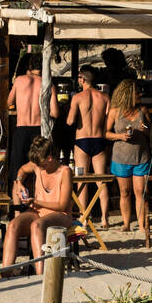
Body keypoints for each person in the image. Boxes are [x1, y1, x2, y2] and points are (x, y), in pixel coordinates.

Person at [3, 136, 74, 276]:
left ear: (50, 158)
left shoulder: (65, 171)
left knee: (36, 225)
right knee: (13, 225)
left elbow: (62, 205)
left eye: (41, 164)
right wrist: (19, 183)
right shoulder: (37, 165)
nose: (40, 167)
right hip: (38, 211)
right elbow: (22, 170)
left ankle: (40, 275)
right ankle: (5, 273)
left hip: (61, 215)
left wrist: (36, 202)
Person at [66, 65, 110, 225]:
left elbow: (70, 121)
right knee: (101, 180)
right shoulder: (105, 97)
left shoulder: (77, 97)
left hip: (82, 140)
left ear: (83, 79)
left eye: (78, 78)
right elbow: (108, 120)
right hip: (99, 139)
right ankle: (105, 218)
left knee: (82, 180)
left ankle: (84, 218)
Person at [107, 79, 151, 233]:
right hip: (121, 157)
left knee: (141, 192)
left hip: (141, 156)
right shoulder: (115, 111)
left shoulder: (142, 110)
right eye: (137, 92)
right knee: (125, 192)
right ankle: (126, 224)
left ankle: (142, 225)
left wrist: (143, 128)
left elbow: (150, 131)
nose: (140, 95)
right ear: (127, 95)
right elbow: (105, 133)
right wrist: (120, 136)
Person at [8, 52, 60, 178]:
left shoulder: (19, 81)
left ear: (30, 66)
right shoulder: (48, 85)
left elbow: (9, 102)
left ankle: (18, 196)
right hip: (38, 130)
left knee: (18, 174)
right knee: (39, 170)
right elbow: (55, 113)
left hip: (21, 128)